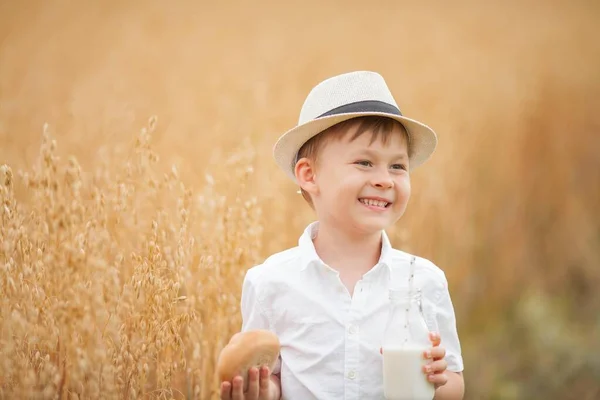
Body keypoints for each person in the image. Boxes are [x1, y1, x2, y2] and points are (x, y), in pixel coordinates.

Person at [220, 71, 465, 400]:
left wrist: (437, 380)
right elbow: (273, 376)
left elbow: (454, 383)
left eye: (397, 166)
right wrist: (261, 391)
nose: (384, 180)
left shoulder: (423, 281)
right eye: (365, 163)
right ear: (310, 175)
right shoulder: (270, 283)